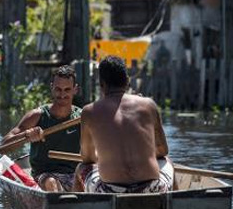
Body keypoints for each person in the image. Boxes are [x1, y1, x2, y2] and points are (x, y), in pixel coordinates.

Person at [73, 55, 173, 193]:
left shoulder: (89, 111)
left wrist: (106, 155)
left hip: (109, 191)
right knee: (167, 161)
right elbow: (162, 150)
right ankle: (174, 207)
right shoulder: (149, 105)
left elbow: (87, 158)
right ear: (127, 81)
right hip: (152, 189)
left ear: (102, 84)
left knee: (81, 168)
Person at [0, 65, 82, 192]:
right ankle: (57, 205)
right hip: (45, 176)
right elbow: (3, 147)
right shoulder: (36, 116)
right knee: (51, 183)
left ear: (75, 90)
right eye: (58, 89)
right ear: (51, 88)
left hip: (74, 175)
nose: (62, 94)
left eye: (67, 90)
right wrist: (26, 135)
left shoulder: (82, 117)